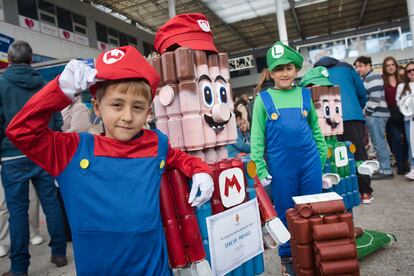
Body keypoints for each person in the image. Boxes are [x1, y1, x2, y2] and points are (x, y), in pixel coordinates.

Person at [6, 45, 214, 275]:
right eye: (116, 104)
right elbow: (21, 132)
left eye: (137, 107)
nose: (127, 116)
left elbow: (178, 158)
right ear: (97, 106)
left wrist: (199, 169)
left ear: (148, 113)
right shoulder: (71, 150)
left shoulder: (156, 144)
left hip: (154, 269)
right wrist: (60, 90)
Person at [251, 41, 327, 275]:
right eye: (279, 69)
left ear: (296, 70)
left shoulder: (305, 94)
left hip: (309, 163)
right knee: (285, 211)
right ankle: (288, 259)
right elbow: (256, 139)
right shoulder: (262, 100)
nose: (285, 73)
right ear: (271, 73)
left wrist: (320, 161)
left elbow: (316, 132)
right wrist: (261, 170)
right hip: (280, 166)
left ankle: (315, 253)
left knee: (312, 209)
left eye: (289, 68)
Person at [0, 41, 67, 276]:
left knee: (17, 212)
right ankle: (59, 253)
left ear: (9, 60)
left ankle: (19, 268)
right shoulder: (43, 84)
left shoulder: (0, 84)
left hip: (12, 156)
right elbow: (56, 118)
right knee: (51, 204)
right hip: (42, 154)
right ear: (31, 61)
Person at [315, 56, 374, 204]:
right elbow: (361, 92)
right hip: (352, 116)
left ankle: (339, 191)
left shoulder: (316, 71)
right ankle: (365, 192)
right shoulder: (347, 68)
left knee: (333, 155)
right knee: (358, 152)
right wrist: (357, 107)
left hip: (327, 120)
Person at [354, 56, 392, 179]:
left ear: (368, 65)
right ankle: (383, 167)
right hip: (375, 115)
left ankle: (386, 170)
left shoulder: (373, 77)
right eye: (356, 67)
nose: (358, 69)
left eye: (360, 66)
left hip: (376, 115)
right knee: (377, 142)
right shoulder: (366, 78)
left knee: (379, 142)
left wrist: (366, 113)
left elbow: (375, 99)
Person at [382, 56, 409, 175]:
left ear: (396, 65)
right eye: (388, 65)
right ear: (385, 67)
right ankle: (400, 164)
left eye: (392, 64)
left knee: (408, 139)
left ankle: (405, 160)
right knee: (396, 139)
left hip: (403, 113)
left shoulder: (402, 79)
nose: (390, 67)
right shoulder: (382, 81)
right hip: (389, 115)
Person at [396, 61, 414, 180]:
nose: (412, 72)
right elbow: (399, 102)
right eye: (409, 70)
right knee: (412, 144)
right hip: (410, 119)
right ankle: (413, 167)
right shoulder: (402, 86)